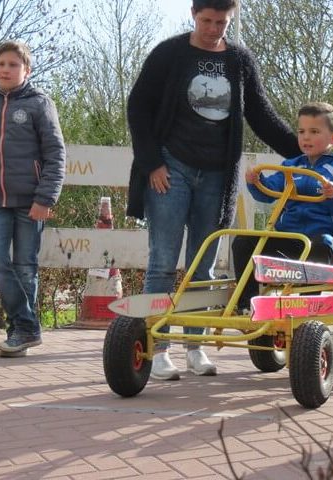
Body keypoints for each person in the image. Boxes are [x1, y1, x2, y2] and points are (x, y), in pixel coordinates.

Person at [126, 0, 301, 380]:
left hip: (217, 175)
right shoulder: (169, 53)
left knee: (202, 263)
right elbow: (138, 107)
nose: (213, 29)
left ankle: (195, 346)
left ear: (230, 18)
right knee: (162, 261)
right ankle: (157, 348)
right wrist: (151, 162)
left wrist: (303, 151)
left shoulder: (239, 60)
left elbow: (261, 114)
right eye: (206, 20)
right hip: (170, 168)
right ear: (194, 14)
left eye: (221, 22)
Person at [0, 41, 66, 355]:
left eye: (13, 64)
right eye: (1, 63)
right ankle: (27, 328)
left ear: (26, 70)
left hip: (32, 201)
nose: (5, 69)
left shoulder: (39, 103)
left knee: (26, 267)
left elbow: (56, 154)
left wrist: (46, 198)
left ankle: (19, 334)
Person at [232, 102, 333, 309]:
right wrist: (256, 181)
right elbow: (267, 193)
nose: (306, 137)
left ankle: (304, 305)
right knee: (243, 242)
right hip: (292, 240)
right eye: (301, 132)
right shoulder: (291, 166)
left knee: (321, 244)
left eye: (314, 132)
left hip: (328, 245)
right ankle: (248, 305)